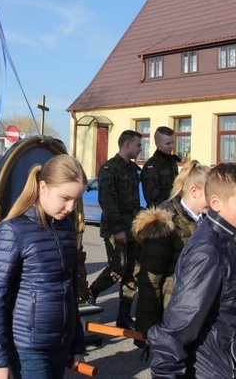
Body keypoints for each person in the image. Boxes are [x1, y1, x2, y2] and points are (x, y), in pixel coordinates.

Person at [148, 163, 236, 378]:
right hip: (216, 370)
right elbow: (177, 328)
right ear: (216, 203)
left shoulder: (234, 242)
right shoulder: (209, 252)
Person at [0, 154, 86, 379]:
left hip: (61, 343)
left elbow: (70, 289)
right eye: (65, 198)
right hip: (27, 348)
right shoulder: (14, 230)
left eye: (76, 200)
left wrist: (77, 342)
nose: (70, 207)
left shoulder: (66, 227)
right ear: (43, 187)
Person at [132, 160, 210, 344]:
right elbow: (150, 279)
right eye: (211, 195)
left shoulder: (207, 220)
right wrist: (148, 329)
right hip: (172, 314)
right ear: (194, 191)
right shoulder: (166, 224)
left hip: (196, 311)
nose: (216, 201)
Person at [87, 130, 142, 330]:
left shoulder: (132, 169)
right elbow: (107, 202)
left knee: (133, 270)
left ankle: (124, 315)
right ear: (127, 145)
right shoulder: (109, 169)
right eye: (138, 145)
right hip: (115, 229)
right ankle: (91, 292)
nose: (140, 149)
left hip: (133, 227)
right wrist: (118, 229)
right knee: (118, 269)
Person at [141, 126, 181, 207]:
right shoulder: (152, 166)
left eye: (173, 142)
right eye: (168, 143)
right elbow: (152, 198)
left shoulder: (172, 161)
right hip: (160, 212)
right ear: (157, 144)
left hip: (175, 208)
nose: (172, 146)